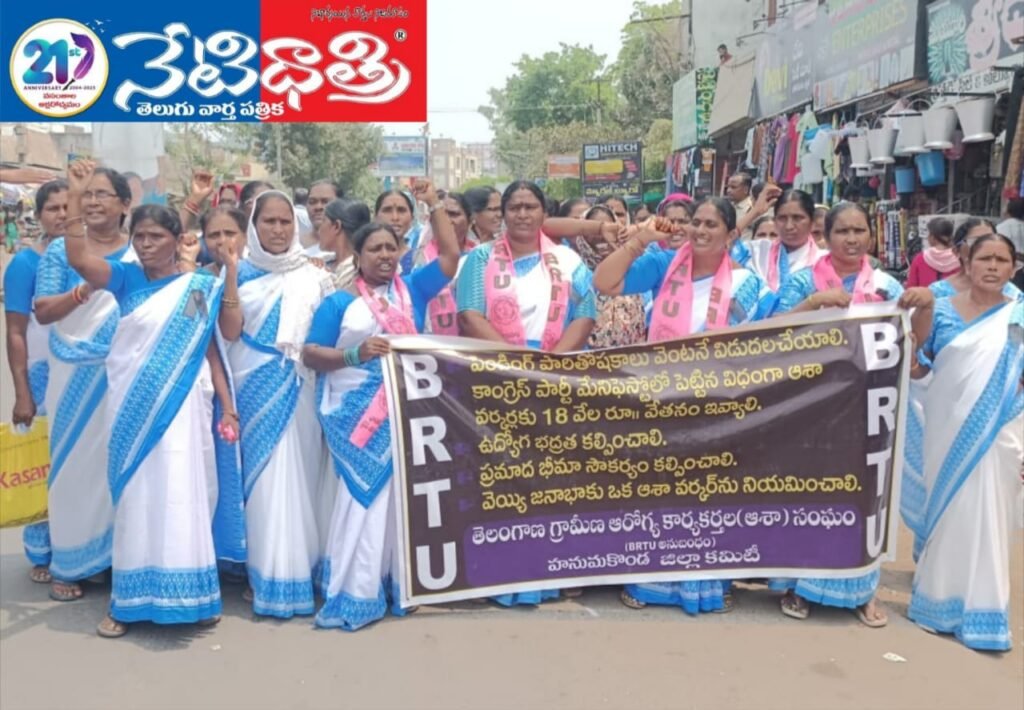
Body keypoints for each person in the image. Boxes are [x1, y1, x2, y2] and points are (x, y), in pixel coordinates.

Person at [62, 160, 235, 638]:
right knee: (138, 493)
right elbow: (79, 261)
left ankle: (194, 596)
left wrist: (228, 403)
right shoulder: (125, 279)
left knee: (184, 492)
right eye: (139, 237)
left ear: (176, 239)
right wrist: (77, 198)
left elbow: (207, 346)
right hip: (133, 404)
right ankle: (128, 602)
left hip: (184, 405)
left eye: (156, 237)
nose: (145, 245)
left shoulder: (198, 285)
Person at [593, 197, 772, 614]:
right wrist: (642, 241)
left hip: (717, 407)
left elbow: (772, 337)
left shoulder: (750, 284)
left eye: (712, 225)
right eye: (696, 222)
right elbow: (605, 281)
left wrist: (817, 308)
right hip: (660, 402)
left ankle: (708, 583)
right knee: (658, 493)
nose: (701, 231)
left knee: (708, 495)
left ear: (731, 234)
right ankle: (651, 583)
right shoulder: (663, 266)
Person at [304, 179, 460, 630]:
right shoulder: (339, 302)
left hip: (404, 411)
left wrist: (434, 205)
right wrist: (356, 354)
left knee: (399, 501)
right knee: (362, 500)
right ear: (358, 254)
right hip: (355, 415)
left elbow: (449, 260)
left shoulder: (411, 289)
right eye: (375, 249)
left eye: (391, 248)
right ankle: (355, 590)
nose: (385, 256)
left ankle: (398, 584)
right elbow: (312, 354)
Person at [769, 202, 935, 628]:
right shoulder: (804, 280)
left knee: (864, 497)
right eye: (842, 230)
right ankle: (798, 586)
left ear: (871, 237)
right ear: (825, 235)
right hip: (811, 406)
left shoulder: (884, 284)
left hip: (868, 408)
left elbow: (913, 344)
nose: (852, 238)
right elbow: (770, 332)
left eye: (860, 230)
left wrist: (925, 309)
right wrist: (813, 303)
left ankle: (862, 591)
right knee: (806, 493)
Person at [457, 181, 595, 606]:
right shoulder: (478, 260)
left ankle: (553, 568)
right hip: (498, 377)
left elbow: (585, 314)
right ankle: (501, 572)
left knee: (552, 478)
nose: (520, 214)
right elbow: (469, 315)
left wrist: (548, 367)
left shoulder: (568, 260)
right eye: (513, 207)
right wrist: (515, 365)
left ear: (542, 212)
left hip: (556, 377)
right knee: (501, 477)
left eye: (530, 206)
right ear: (502, 215)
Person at [219, 190, 335, 619]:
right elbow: (230, 331)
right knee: (264, 480)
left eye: (286, 221)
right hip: (253, 381)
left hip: (301, 385)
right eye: (269, 221)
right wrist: (230, 271)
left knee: (301, 475)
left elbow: (327, 335)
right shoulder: (241, 272)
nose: (278, 229)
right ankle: (266, 571)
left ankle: (302, 567)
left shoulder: (315, 275)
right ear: (254, 224)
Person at [907, 233, 1023, 652]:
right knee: (950, 512)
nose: (993, 266)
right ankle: (937, 602)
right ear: (967, 264)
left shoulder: (1019, 315)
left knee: (988, 515)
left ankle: (985, 611)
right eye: (985, 258)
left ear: (1013, 269)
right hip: (946, 425)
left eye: (1002, 260)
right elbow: (921, 366)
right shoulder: (939, 308)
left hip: (1001, 430)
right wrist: (919, 314)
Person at [33, 170, 135, 602]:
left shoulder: (141, 249)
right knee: (72, 465)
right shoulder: (60, 252)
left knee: (119, 464)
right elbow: (41, 311)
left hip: (123, 372)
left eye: (103, 195)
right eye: (86, 195)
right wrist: (83, 292)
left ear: (125, 204)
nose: (93, 202)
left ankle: (113, 556)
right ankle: (69, 562)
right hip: (73, 370)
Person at [4, 179, 67, 587]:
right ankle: (43, 550)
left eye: (68, 207)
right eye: (53, 208)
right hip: (44, 377)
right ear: (39, 215)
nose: (62, 215)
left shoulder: (92, 260)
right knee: (45, 467)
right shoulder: (26, 264)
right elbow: (15, 332)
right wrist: (22, 392)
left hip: (87, 375)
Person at [548, 204, 648, 348]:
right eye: (593, 232)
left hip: (628, 363)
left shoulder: (631, 266)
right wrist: (599, 227)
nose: (601, 238)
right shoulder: (573, 269)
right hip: (582, 363)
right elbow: (544, 226)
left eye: (610, 230)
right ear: (583, 234)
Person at [744, 188, 824, 292]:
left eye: (797, 218)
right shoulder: (759, 251)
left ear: (812, 222)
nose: (789, 226)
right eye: (782, 218)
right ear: (775, 221)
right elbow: (722, 244)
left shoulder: (823, 260)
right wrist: (754, 212)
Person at [930, 219, 1022, 299]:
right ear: (956, 251)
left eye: (990, 240)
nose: (985, 247)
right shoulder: (937, 294)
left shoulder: (1014, 296)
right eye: (975, 241)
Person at [308, 198, 371, 290]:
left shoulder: (362, 272)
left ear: (336, 226)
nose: (319, 229)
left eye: (323, 221)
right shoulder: (321, 262)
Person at [906, 218, 959, 288]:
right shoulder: (959, 260)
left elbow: (911, 288)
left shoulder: (920, 259)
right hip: (954, 299)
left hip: (924, 298)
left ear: (932, 237)